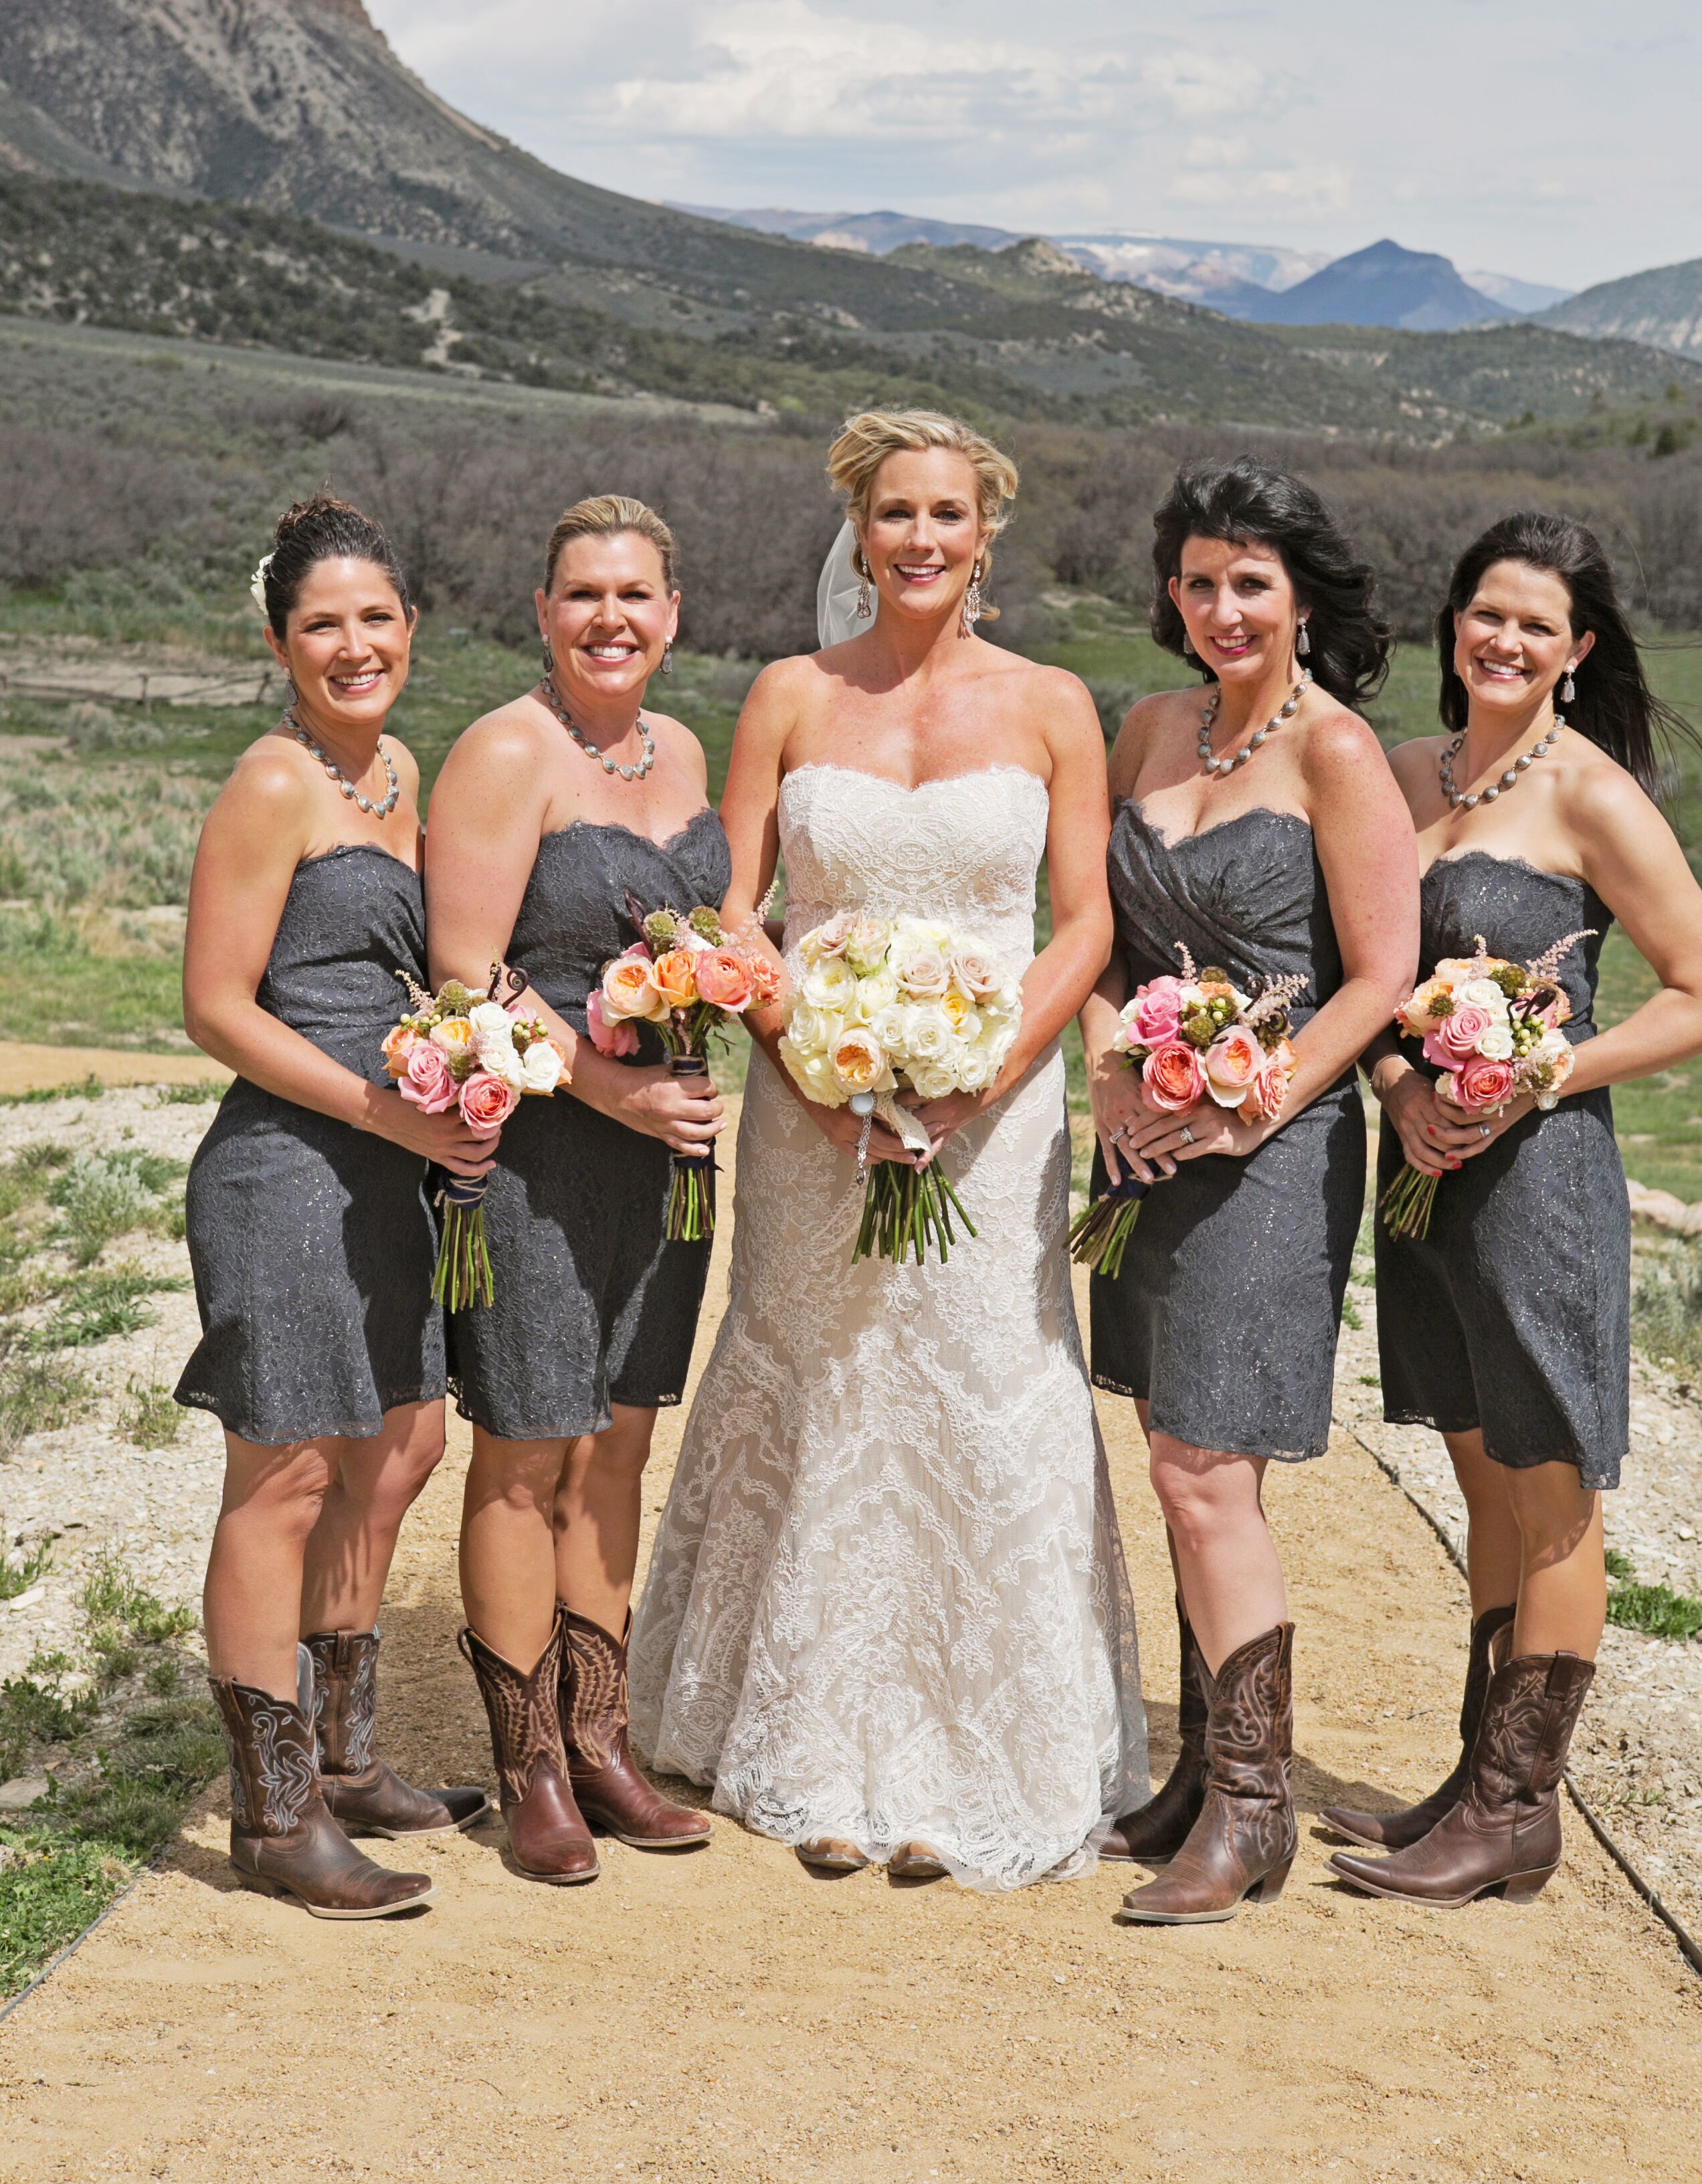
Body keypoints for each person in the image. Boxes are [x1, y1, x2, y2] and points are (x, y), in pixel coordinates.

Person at [631, 407, 1149, 1892]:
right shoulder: (788, 695)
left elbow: (1086, 923)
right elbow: (737, 915)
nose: (921, 539)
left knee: (984, 1382)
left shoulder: (1053, 702)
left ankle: (977, 1758)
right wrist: (817, 1066)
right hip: (815, 1111)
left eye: (948, 515)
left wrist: (974, 1087)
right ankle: (813, 1748)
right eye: (895, 514)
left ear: (989, 534)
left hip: (995, 1118)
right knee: (827, 1372)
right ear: (859, 531)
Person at [1325, 513, 1702, 1908]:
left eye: (1538, 625)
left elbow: (1693, 989)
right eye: (1488, 613)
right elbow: (1360, 975)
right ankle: (1477, 1772)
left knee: (1550, 1483)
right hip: (1422, 1171)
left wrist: (1544, 1075)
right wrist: (1389, 1082)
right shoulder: (1403, 774)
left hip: (1539, 1181)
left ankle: (1519, 1808)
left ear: (1579, 649)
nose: (1505, 640)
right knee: (1479, 1467)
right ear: (1456, 622)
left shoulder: (1593, 795)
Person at [1081, 457, 1419, 1926]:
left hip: (1272, 1154)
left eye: (1254, 585)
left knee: (1208, 1468)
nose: (1225, 608)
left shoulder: (1336, 753)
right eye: (1202, 582)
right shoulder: (1145, 727)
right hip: (1143, 1139)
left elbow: (1383, 977)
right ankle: (1201, 1767)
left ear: (1300, 597)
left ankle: (1251, 1806)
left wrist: (1251, 1104)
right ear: (1174, 592)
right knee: (1172, 1451)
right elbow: (1093, 932)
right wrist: (1111, 1065)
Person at [181, 495, 493, 1920]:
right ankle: (275, 1810)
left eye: (377, 619)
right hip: (288, 1170)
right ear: (278, 642)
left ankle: (351, 1751)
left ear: (411, 630)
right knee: (288, 1471)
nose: (354, 645)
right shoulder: (274, 785)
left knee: (404, 1439)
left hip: (390, 1170)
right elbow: (214, 1006)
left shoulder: (399, 771)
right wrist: (382, 1108)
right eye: (323, 625)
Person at [425, 494, 723, 1883]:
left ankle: (603, 1738)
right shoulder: (505, 752)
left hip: (667, 1165)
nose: (612, 618)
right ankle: (529, 1759)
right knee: (528, 1449)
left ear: (673, 614)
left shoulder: (687, 749)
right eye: (583, 595)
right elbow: (469, 972)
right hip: (544, 1151)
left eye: (636, 596)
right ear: (543, 612)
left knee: (619, 1444)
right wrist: (613, 1090)